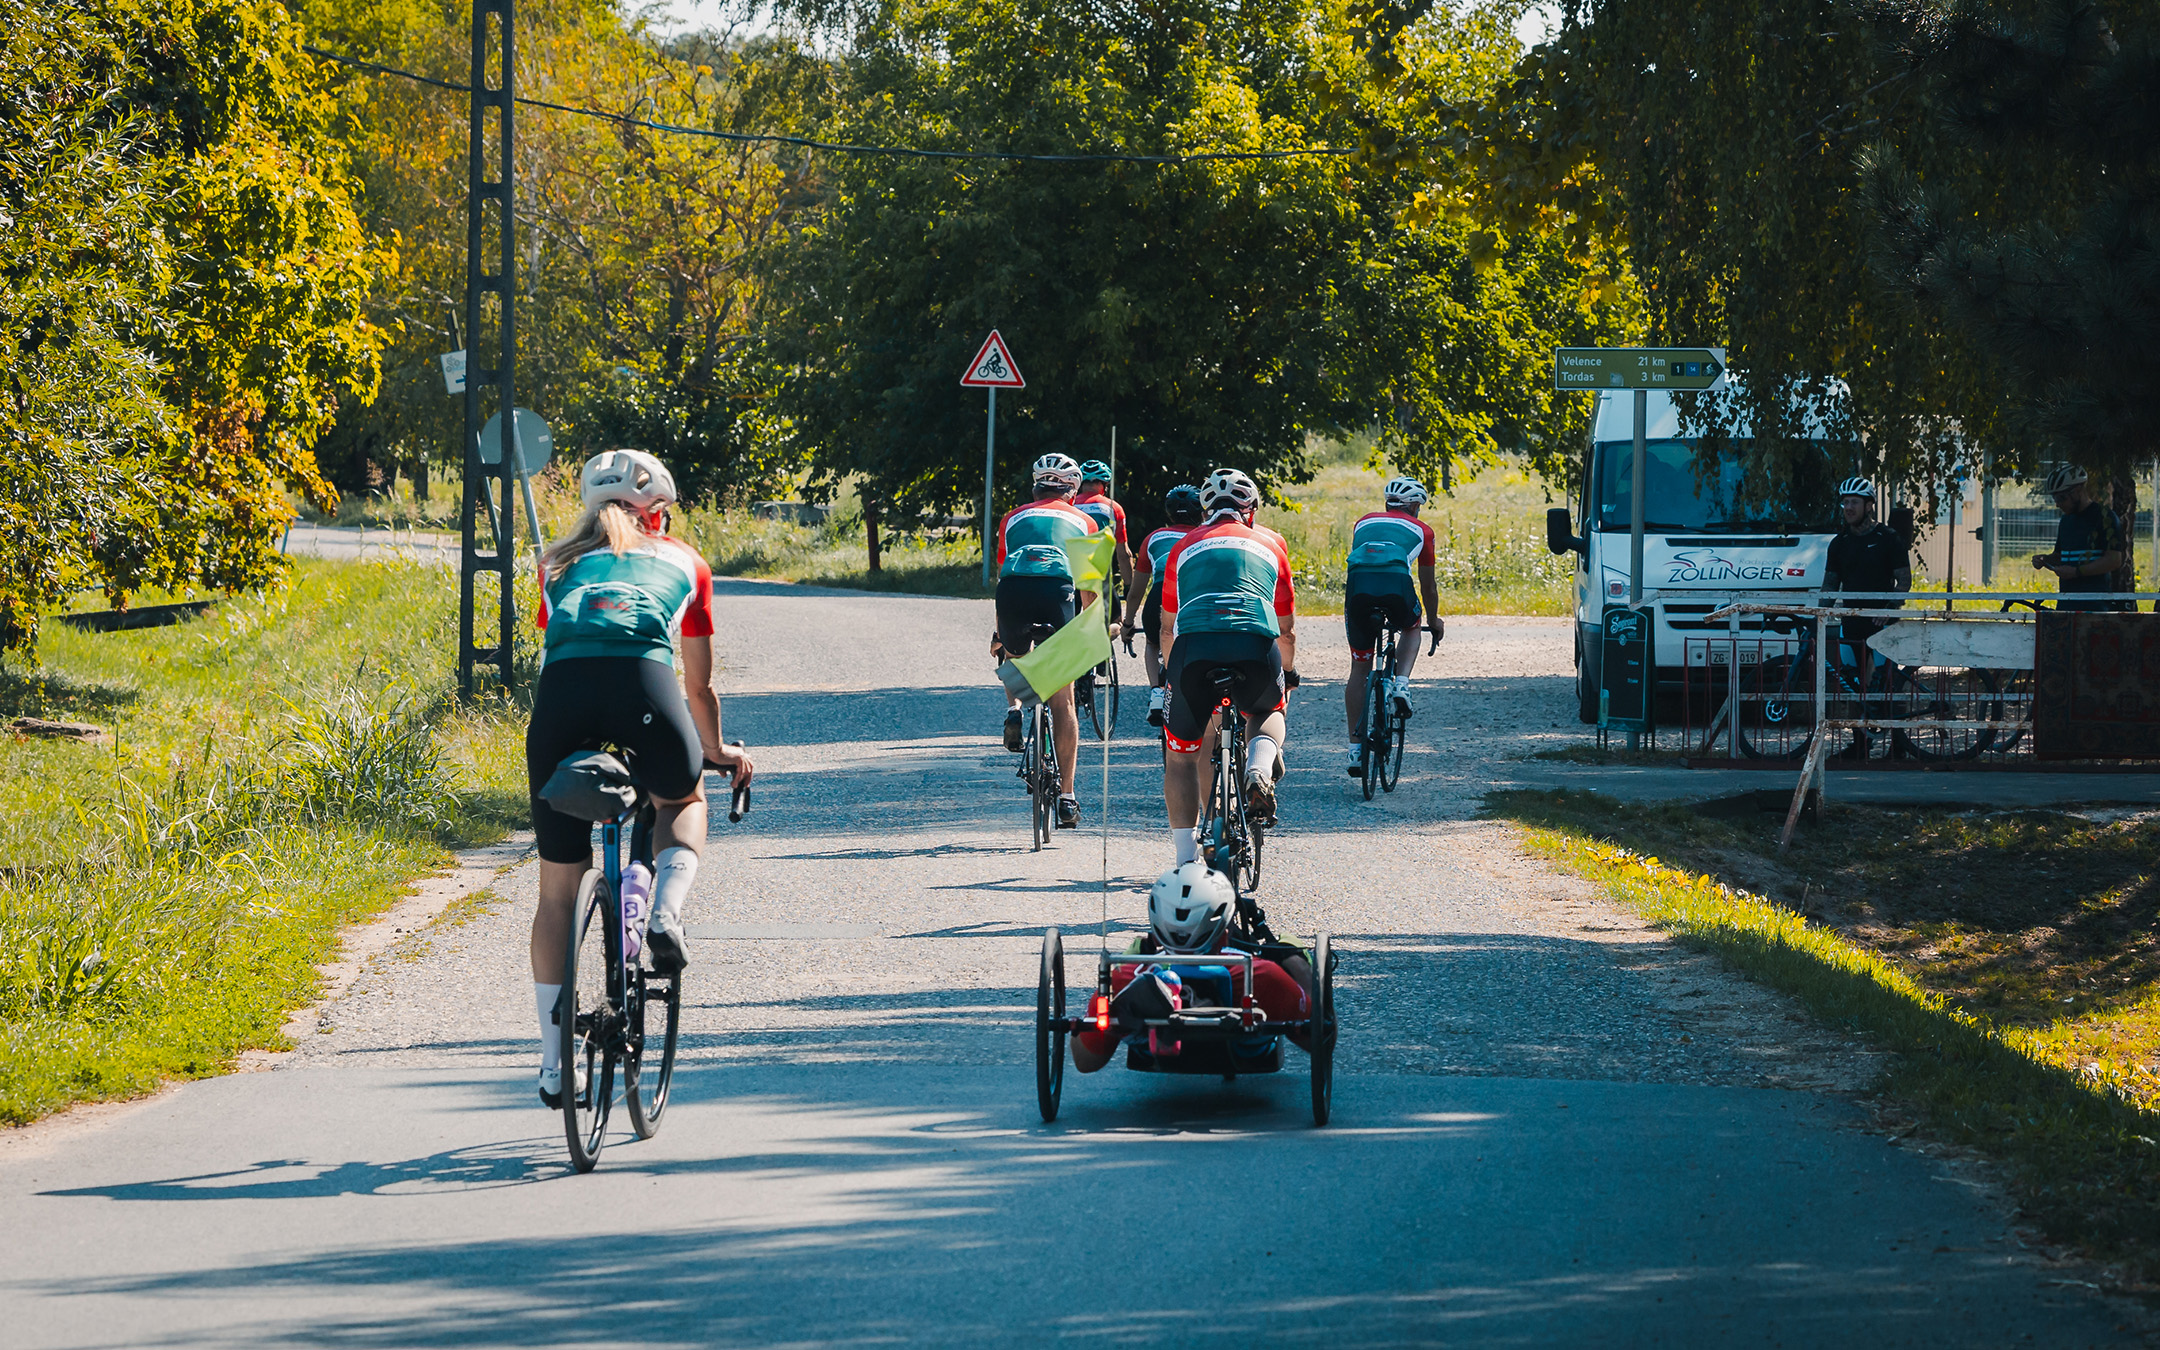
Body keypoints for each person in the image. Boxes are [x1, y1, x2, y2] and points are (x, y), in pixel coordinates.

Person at [525, 449, 754, 1108]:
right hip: (647, 693)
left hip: (561, 705)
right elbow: (699, 686)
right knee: (683, 798)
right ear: (660, 511)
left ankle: (552, 1064)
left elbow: (565, 644)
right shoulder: (687, 563)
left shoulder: (557, 563)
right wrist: (715, 750)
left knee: (556, 894)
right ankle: (665, 911)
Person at [1159, 468, 1297, 847]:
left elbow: (1167, 630)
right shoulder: (1271, 547)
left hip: (1194, 650)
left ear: (1205, 512)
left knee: (1182, 757)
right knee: (1268, 711)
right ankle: (1258, 767)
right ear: (1250, 510)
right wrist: (1287, 672)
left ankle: (1185, 861)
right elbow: (1286, 631)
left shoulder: (1182, 546)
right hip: (1254, 645)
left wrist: (1170, 679)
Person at [1070, 863, 1312, 1073]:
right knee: (1289, 953)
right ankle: (1292, 956)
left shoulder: (1122, 977)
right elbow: (1319, 1039)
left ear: (1156, 935)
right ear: (1224, 937)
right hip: (1246, 1049)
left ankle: (1152, 1000)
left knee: (1119, 990)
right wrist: (1295, 962)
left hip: (1148, 1044)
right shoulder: (1264, 976)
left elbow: (1086, 1062)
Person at [991, 453, 1101, 829]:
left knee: (1013, 654)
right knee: (1063, 699)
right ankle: (1067, 798)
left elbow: (1003, 578)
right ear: (1072, 490)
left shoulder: (1011, 518)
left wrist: (998, 634)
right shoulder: (1086, 521)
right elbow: (1089, 588)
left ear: (1035, 488)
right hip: (1057, 594)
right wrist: (1089, 634)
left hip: (1013, 594)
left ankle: (1015, 710)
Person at [1342, 476, 1445, 776]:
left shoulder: (1362, 523)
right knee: (1412, 627)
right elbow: (1428, 586)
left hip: (1358, 590)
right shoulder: (1423, 530)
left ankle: (1354, 750)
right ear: (1414, 505)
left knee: (1359, 669)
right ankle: (1401, 684)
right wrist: (1433, 619)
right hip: (1397, 586)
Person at [1821, 477, 1911, 758]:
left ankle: (1899, 746)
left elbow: (1904, 581)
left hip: (1882, 625)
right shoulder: (1839, 543)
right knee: (1852, 685)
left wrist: (1888, 610)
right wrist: (1818, 614)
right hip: (1852, 624)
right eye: (1845, 502)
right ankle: (1860, 745)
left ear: (1869, 505)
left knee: (1887, 685)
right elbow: (1829, 585)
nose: (1848, 507)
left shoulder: (1889, 539)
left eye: (1854, 502)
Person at [1123, 484, 1203, 727]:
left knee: (1153, 641)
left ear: (1168, 513)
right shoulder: (1206, 535)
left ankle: (1156, 693)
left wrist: (1128, 623)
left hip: (1158, 596)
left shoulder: (1154, 538)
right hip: (1192, 597)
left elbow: (1136, 591)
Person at [2031, 465, 2129, 612]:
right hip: (2067, 602)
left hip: (2096, 605)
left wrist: (2077, 572)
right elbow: (2061, 556)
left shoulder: (2104, 517)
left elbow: (2114, 560)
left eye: (2061, 498)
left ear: (2078, 490)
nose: (2058, 504)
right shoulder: (2066, 520)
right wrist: (2045, 560)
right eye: (2054, 498)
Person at [1073, 460, 1134, 601]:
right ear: (1105, 485)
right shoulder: (1113, 508)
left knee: (1070, 621)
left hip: (1070, 573)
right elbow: (1123, 555)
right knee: (1114, 621)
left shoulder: (1069, 504)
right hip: (1097, 573)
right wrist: (1129, 587)